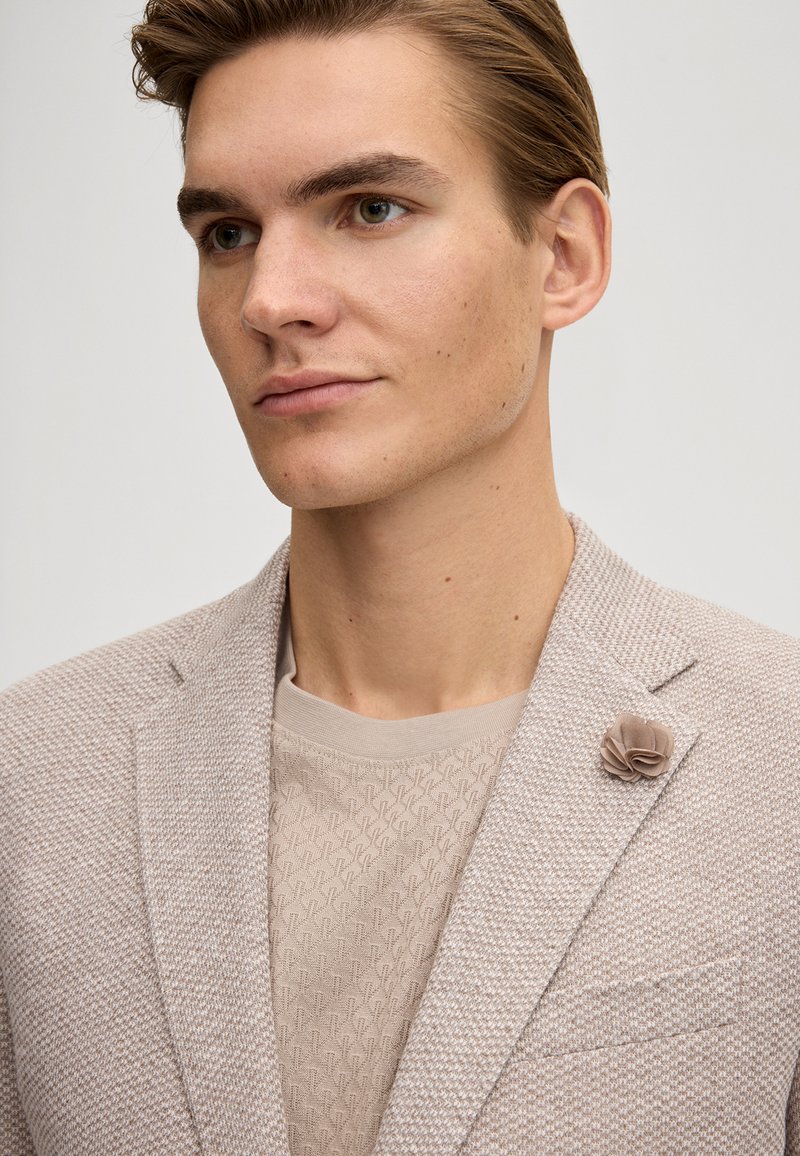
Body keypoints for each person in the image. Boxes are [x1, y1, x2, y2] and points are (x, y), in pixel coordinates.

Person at [1, 0, 798, 1152]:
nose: (270, 298)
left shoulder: (778, 765)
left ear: (563, 257)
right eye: (227, 231)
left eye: (369, 208)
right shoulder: (33, 786)